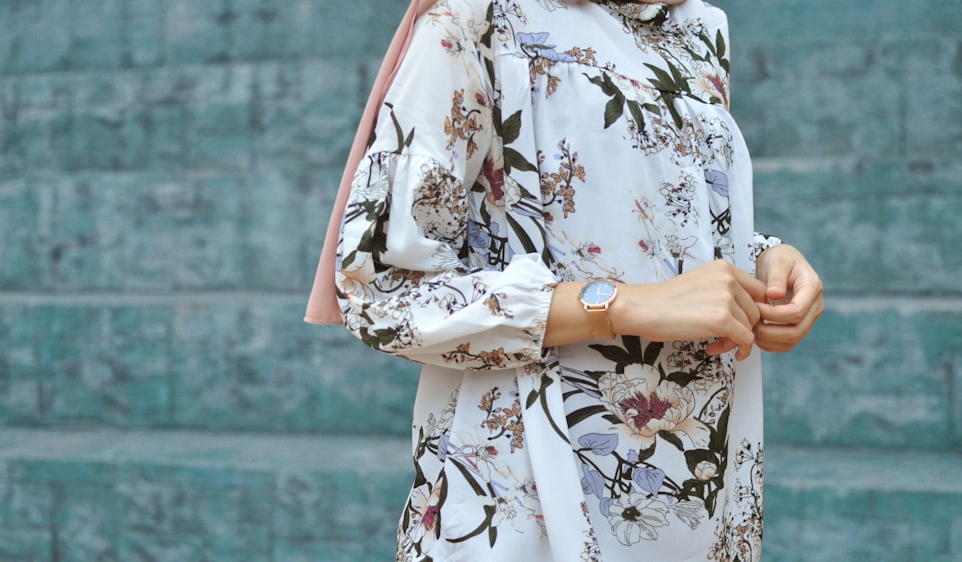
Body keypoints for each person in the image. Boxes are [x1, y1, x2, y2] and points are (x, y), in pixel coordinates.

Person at [306, 0, 824, 560]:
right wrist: (619, 306)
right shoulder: (478, 20)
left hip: (699, 493)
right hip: (531, 490)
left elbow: (643, 219)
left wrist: (760, 259)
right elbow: (378, 289)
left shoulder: (696, 28)